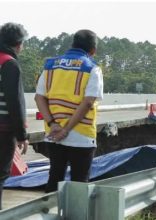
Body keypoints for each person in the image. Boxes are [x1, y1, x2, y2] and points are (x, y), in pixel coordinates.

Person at [35, 30, 103, 193]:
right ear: (93, 50)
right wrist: (66, 130)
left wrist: (53, 124)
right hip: (81, 135)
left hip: (54, 133)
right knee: (79, 184)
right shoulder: (92, 68)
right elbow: (87, 103)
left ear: (72, 45)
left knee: (54, 179)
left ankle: (48, 215)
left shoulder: (50, 65)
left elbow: (39, 97)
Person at [0, 22, 29, 209]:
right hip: (3, 131)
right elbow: (15, 102)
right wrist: (21, 136)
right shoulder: (9, 63)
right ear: (18, 44)